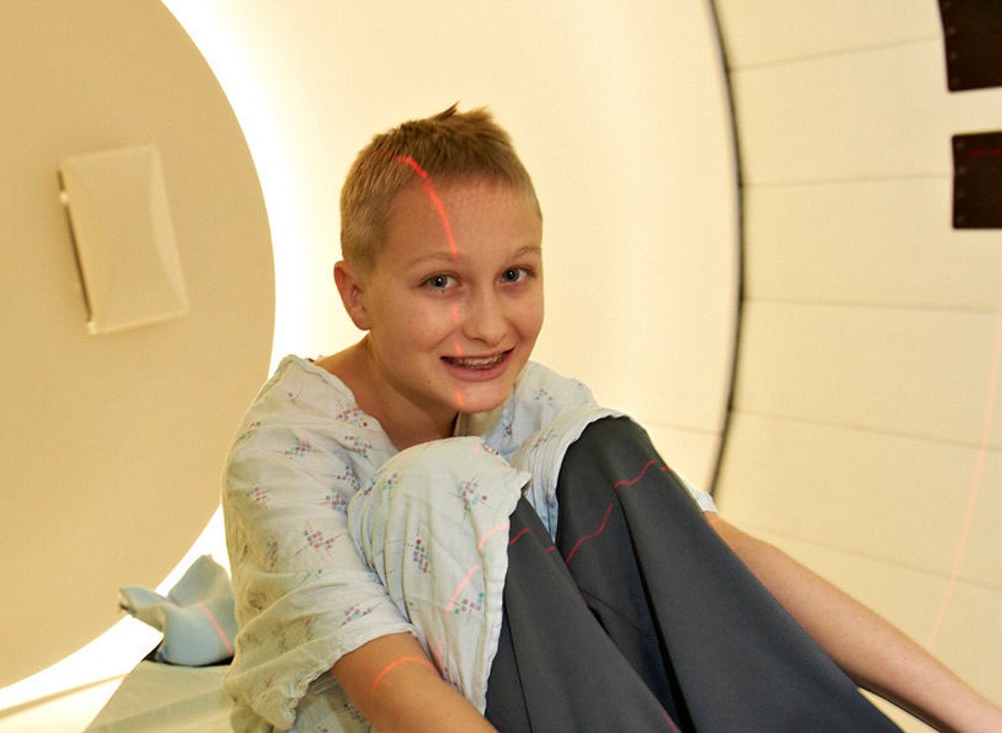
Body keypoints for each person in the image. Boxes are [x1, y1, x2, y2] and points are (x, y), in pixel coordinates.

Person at [222, 106, 1002, 732]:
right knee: (440, 482)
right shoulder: (286, 452)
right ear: (355, 294)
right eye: (441, 283)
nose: (490, 324)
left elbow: (720, 562)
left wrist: (972, 715)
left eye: (515, 275)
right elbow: (392, 684)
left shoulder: (532, 402)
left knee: (600, 447)